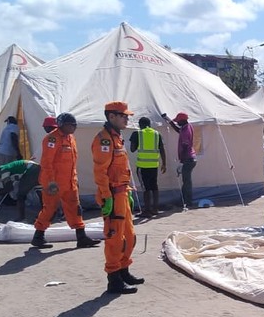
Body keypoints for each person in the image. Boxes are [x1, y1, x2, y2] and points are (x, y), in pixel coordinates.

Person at [29, 112, 100, 250]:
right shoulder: (52, 139)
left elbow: (72, 162)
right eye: (70, 125)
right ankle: (38, 236)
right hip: (54, 184)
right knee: (50, 209)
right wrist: (50, 182)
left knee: (75, 209)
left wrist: (75, 179)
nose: (74, 127)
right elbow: (47, 162)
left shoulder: (71, 139)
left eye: (75, 125)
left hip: (69, 182)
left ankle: (81, 238)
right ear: (62, 125)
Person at [94, 101, 144, 295]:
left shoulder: (117, 138)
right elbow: (100, 172)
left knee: (129, 237)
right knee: (115, 239)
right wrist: (107, 198)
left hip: (122, 194)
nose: (127, 119)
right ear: (111, 116)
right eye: (123, 116)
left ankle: (124, 271)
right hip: (113, 195)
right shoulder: (104, 140)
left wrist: (128, 192)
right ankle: (114, 280)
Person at [128, 116, 167, 217]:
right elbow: (162, 149)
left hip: (142, 166)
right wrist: (164, 163)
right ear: (149, 124)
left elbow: (132, 149)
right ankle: (155, 209)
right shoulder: (156, 134)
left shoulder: (137, 134)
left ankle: (147, 211)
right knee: (154, 186)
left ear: (140, 125)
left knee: (146, 188)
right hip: (154, 165)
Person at [162, 111, 197, 210]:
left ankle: (187, 202)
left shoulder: (186, 130)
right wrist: (168, 120)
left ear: (183, 120)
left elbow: (185, 145)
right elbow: (178, 130)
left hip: (188, 159)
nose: (177, 123)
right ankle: (184, 200)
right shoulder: (186, 127)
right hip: (190, 158)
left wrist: (182, 161)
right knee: (186, 181)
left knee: (186, 182)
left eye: (178, 121)